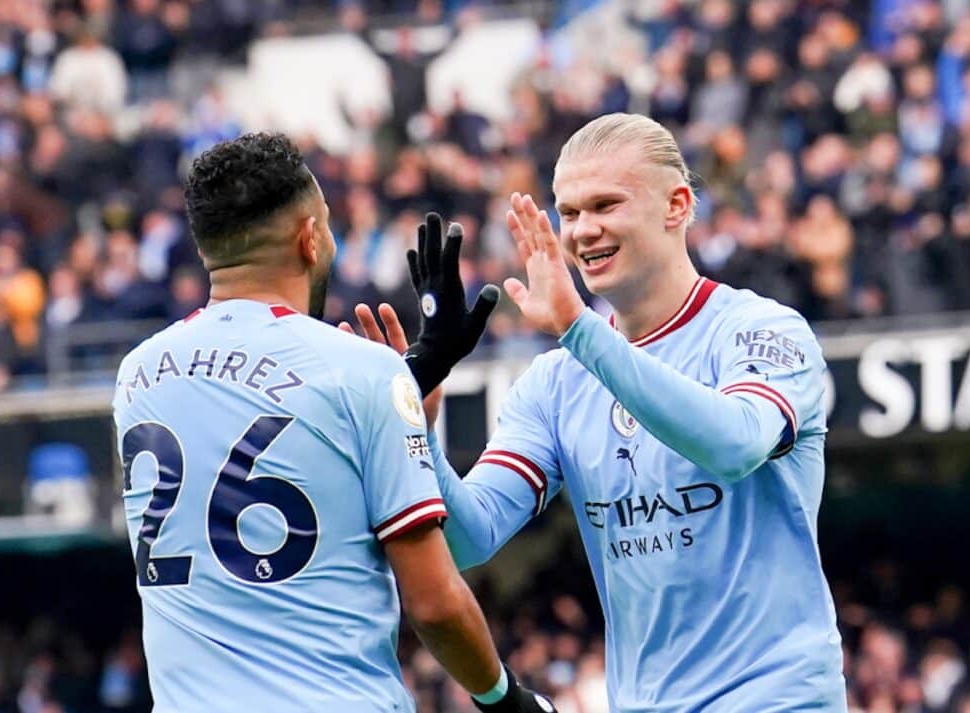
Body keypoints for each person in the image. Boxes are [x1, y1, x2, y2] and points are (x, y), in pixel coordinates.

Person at [352, 113, 847, 711]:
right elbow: (468, 537)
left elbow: (735, 444)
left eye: (605, 205)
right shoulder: (555, 382)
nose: (583, 231)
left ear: (676, 206)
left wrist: (579, 331)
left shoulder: (760, 330)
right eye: (568, 213)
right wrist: (417, 427)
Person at [111, 133, 554, 713]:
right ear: (310, 236)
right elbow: (435, 604)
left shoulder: (138, 376)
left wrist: (402, 420)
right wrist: (506, 699)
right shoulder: (361, 371)